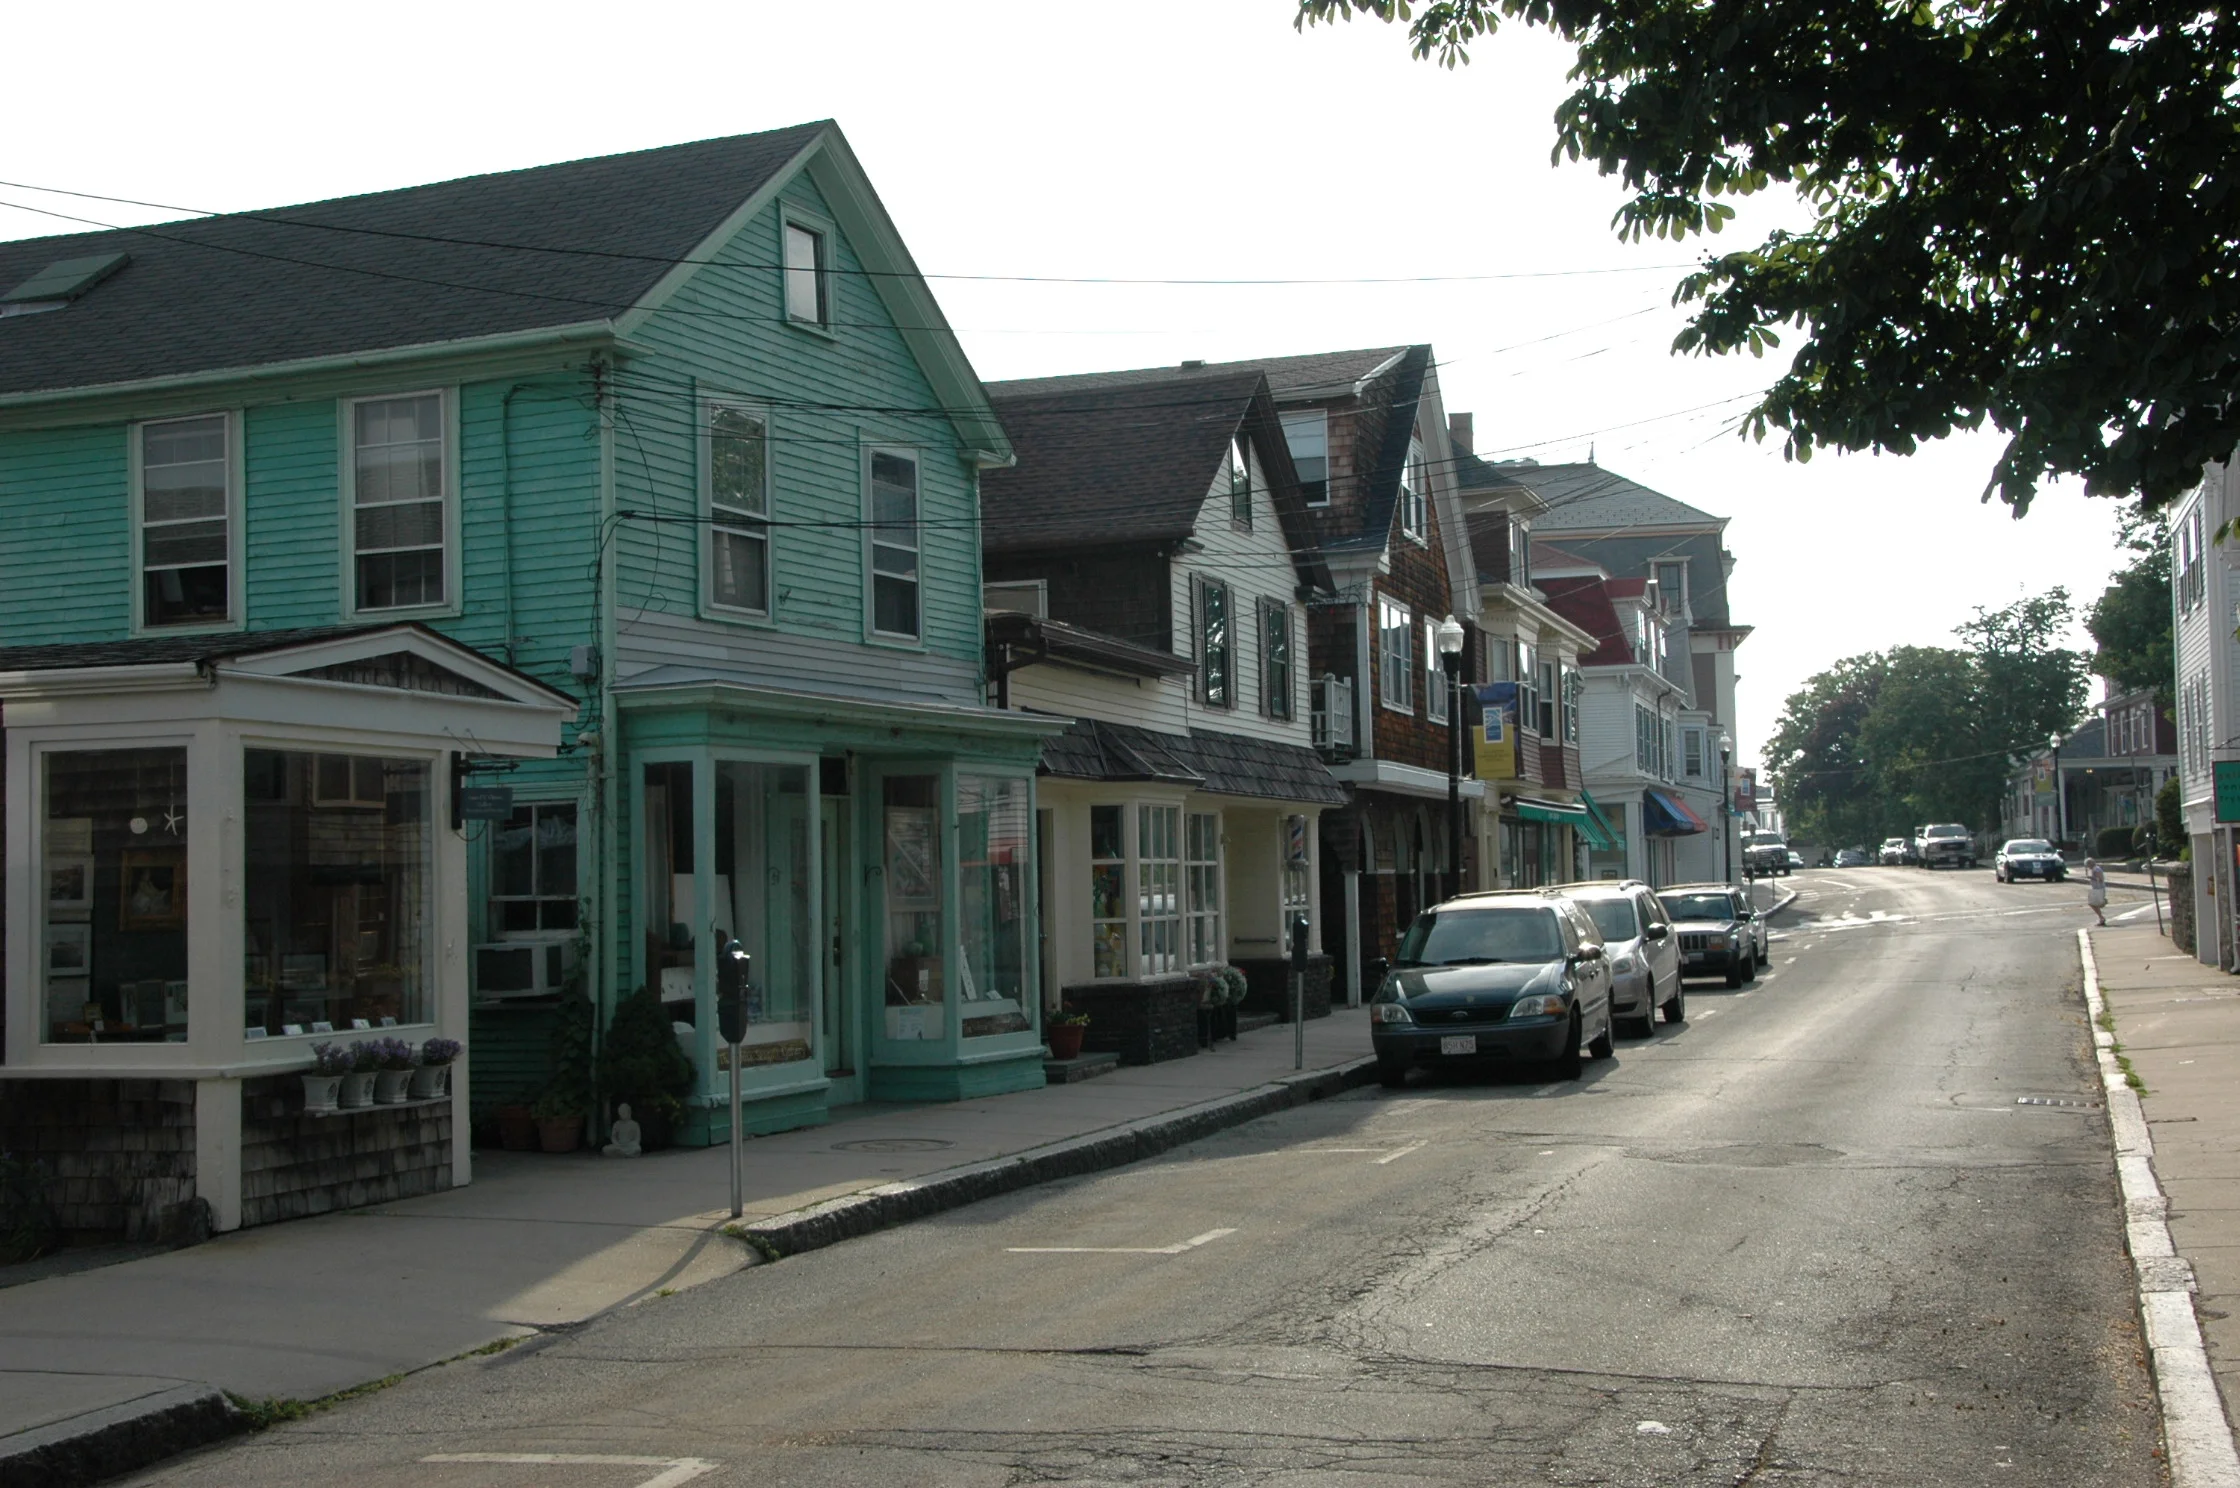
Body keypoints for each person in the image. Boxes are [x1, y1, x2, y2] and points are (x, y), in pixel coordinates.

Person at [2086, 858, 2108, 927]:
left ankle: (2101, 917)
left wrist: (2091, 877)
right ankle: (2101, 917)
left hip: (2099, 889)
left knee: (2092, 903)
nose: (2087, 866)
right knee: (2093, 903)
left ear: (2090, 864)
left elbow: (2100, 879)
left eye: (2087, 865)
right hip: (2096, 889)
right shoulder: (2094, 869)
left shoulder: (2096, 869)